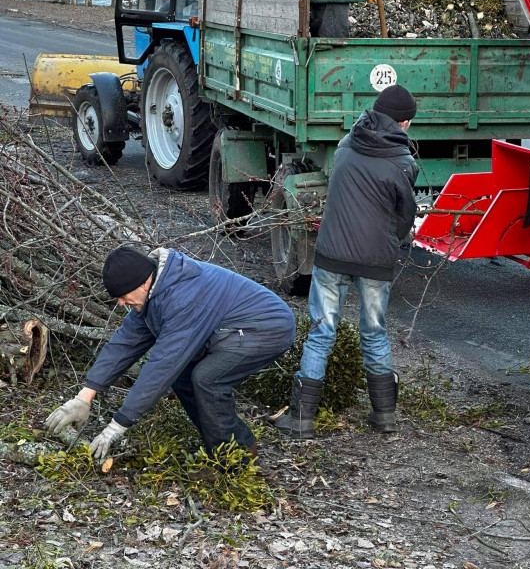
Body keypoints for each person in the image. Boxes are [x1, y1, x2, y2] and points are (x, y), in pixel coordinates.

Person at [45, 246, 296, 462]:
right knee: (184, 375)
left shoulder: (182, 298)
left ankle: (236, 457)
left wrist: (117, 425)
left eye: (123, 296)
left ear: (143, 282)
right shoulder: (154, 292)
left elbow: (162, 365)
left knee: (207, 379)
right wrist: (84, 397)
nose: (120, 303)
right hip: (228, 329)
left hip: (266, 328)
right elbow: (123, 343)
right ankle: (220, 447)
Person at [274, 84, 418, 438]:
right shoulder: (403, 163)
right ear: (403, 124)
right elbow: (405, 218)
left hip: (332, 255)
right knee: (374, 333)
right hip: (374, 262)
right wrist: (393, 242)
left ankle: (302, 419)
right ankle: (384, 417)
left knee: (321, 333)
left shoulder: (346, 146)